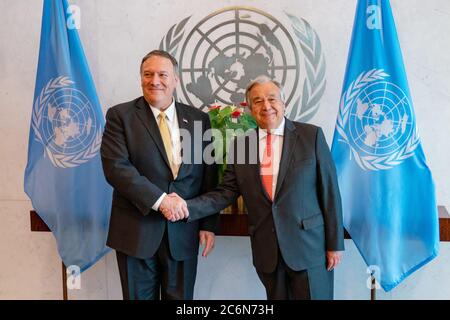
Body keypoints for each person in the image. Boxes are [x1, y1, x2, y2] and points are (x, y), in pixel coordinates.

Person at [163, 75, 344, 300]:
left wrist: (334, 244)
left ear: (283, 103)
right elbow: (225, 192)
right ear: (249, 108)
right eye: (257, 101)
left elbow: (330, 192)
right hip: (268, 253)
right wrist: (187, 207)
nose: (266, 106)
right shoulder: (242, 145)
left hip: (309, 249)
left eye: (272, 99)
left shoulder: (311, 135)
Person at [100, 50, 218, 300]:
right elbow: (116, 168)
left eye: (162, 74)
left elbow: (208, 175)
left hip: (184, 234)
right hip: (136, 233)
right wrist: (161, 201)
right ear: (140, 78)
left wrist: (208, 224)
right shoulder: (120, 116)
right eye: (148, 74)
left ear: (176, 79)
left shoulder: (199, 119)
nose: (155, 81)